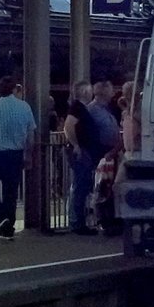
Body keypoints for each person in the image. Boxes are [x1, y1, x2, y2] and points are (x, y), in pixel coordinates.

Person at [0, 76, 36, 240]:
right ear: (15, 89)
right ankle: (7, 227)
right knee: (11, 192)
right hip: (16, 154)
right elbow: (30, 134)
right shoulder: (25, 107)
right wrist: (28, 154)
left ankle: (0, 217)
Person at [63, 80, 98, 235]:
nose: (91, 93)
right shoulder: (77, 108)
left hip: (83, 150)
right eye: (89, 90)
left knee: (80, 186)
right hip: (81, 151)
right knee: (80, 186)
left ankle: (77, 222)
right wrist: (76, 144)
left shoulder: (79, 108)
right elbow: (68, 126)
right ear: (84, 92)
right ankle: (77, 223)